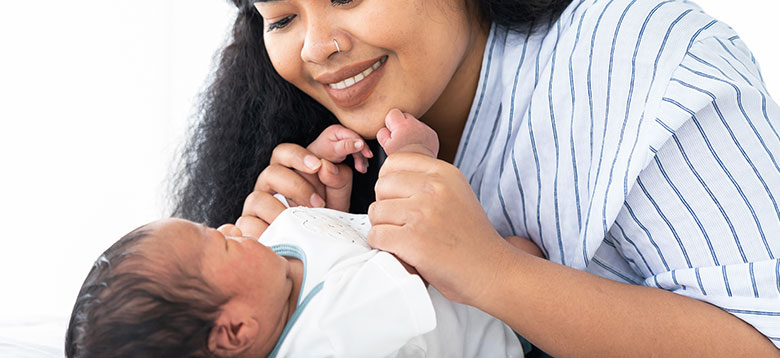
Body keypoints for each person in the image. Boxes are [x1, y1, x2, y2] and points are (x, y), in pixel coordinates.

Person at [171, 0, 780, 355]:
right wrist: (296, 269)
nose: (315, 48)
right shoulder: (313, 159)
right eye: (280, 20)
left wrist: (492, 272)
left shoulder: (653, 62)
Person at [66, 111, 530, 358]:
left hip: (451, 275)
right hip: (493, 330)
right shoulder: (331, 337)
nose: (229, 227)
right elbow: (413, 256)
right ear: (234, 332)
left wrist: (321, 159)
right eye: (221, 243)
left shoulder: (269, 281)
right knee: (521, 252)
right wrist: (413, 156)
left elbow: (301, 216)